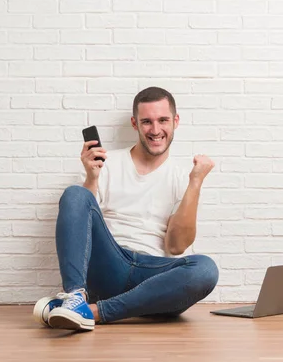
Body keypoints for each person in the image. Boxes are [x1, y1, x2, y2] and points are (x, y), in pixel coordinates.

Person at [32, 87, 219, 331]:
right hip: (109, 263)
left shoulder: (183, 177)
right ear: (135, 124)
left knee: (205, 269)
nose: (155, 130)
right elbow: (80, 226)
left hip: (152, 277)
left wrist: (195, 183)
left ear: (175, 121)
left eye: (162, 120)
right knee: (75, 194)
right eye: (146, 122)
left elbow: (176, 246)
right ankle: (75, 297)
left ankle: (91, 312)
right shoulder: (106, 164)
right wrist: (91, 178)